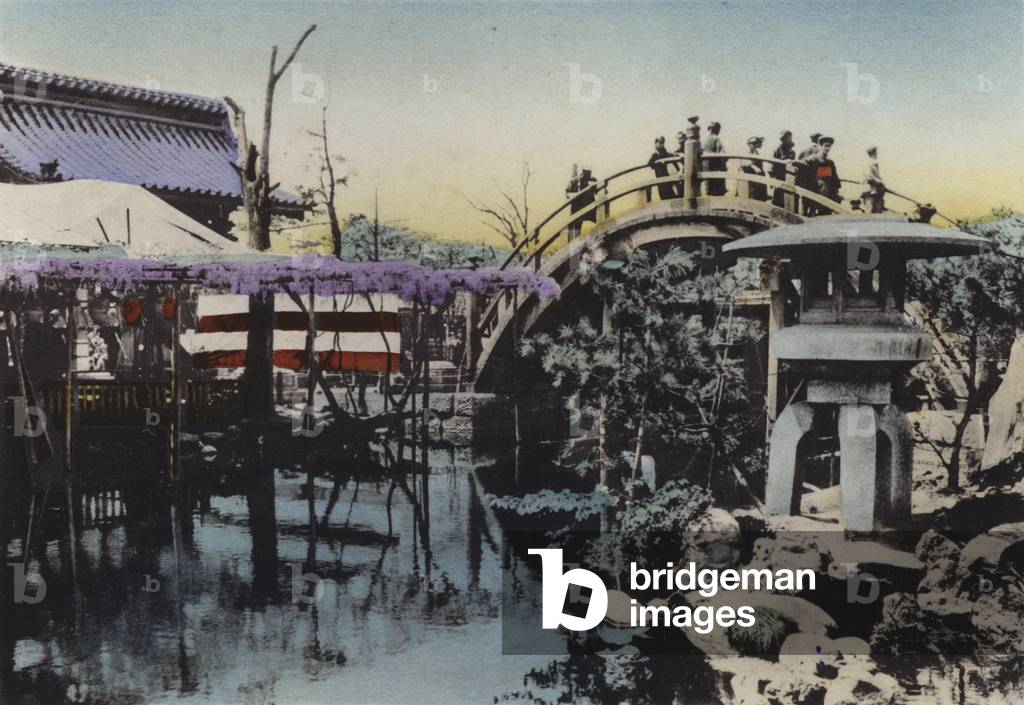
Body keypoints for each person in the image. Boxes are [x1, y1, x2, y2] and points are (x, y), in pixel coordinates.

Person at [810, 136, 842, 208]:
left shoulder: (830, 162)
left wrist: (836, 189)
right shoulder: (813, 159)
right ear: (820, 146)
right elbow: (802, 164)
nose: (828, 148)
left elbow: (835, 179)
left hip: (829, 191)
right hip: (816, 190)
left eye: (829, 146)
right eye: (826, 146)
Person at [796, 132, 822, 215]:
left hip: (804, 181)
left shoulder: (803, 151)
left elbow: (798, 166)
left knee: (804, 203)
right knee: (814, 204)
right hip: (815, 181)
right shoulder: (819, 151)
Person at [771, 130, 796, 207]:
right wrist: (773, 178)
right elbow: (772, 166)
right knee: (778, 197)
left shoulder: (791, 151)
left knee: (787, 196)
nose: (790, 139)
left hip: (788, 176)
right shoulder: (777, 150)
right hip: (779, 176)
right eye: (788, 138)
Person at [702, 121, 727, 196]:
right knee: (717, 192)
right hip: (716, 167)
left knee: (710, 190)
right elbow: (722, 153)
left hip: (708, 168)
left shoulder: (706, 140)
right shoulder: (716, 139)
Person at [648, 136, 676, 200]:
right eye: (660, 143)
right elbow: (650, 164)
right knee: (663, 194)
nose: (661, 144)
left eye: (662, 143)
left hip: (666, 176)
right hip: (660, 177)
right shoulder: (655, 155)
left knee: (669, 193)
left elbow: (670, 156)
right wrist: (657, 162)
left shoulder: (664, 152)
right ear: (656, 143)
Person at [741, 136, 767, 201]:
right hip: (752, 180)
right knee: (753, 195)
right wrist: (754, 167)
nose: (759, 144)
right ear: (751, 144)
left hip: (758, 178)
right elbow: (745, 161)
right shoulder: (747, 152)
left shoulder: (756, 152)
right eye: (756, 143)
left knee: (761, 195)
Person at [862, 146, 885, 213]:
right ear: (873, 154)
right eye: (875, 152)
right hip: (869, 191)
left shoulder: (874, 163)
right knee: (869, 211)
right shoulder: (869, 163)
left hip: (875, 191)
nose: (876, 154)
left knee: (876, 211)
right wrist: (879, 181)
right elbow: (868, 176)